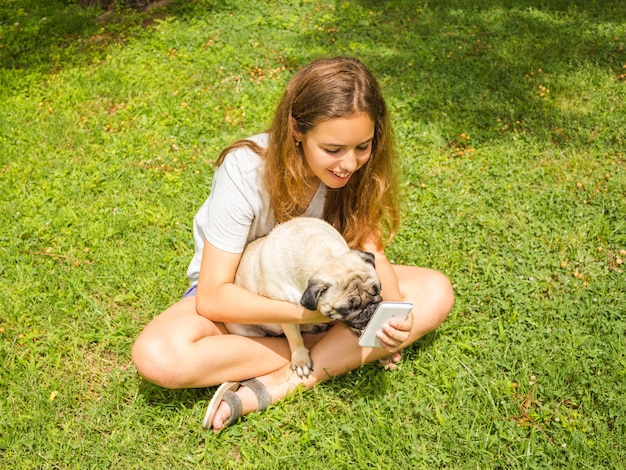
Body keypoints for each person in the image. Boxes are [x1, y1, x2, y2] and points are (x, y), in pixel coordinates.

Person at [131, 56, 454, 432]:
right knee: (157, 355)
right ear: (296, 129)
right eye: (333, 150)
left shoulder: (358, 172)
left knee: (436, 291)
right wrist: (314, 317)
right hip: (243, 306)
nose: (348, 164)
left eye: (363, 147)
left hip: (333, 301)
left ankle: (290, 378)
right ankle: (327, 356)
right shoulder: (245, 170)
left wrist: (393, 320)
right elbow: (213, 297)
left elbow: (374, 253)